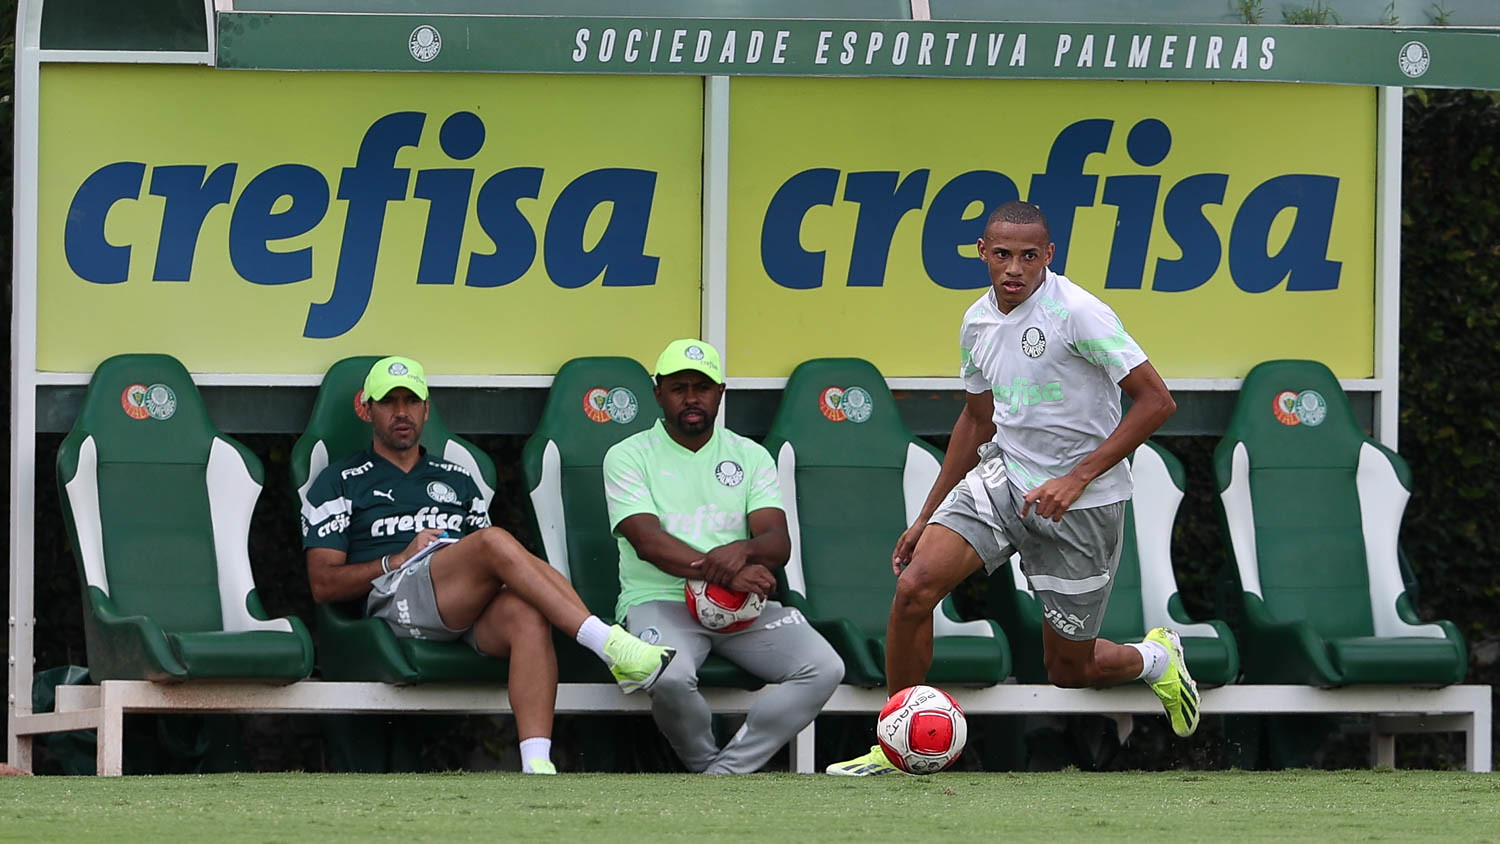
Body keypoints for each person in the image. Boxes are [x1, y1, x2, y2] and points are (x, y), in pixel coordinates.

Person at [827, 201, 1192, 776]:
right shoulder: (976, 321)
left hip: (1082, 505)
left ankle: (1155, 658)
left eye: (1028, 256)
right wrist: (927, 516)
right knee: (914, 589)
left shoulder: (1079, 313)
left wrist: (1076, 477)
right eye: (1002, 254)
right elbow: (977, 420)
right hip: (1004, 477)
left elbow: (1157, 401)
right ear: (982, 253)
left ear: (1049, 255)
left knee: (1069, 669)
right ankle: (895, 740)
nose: (1014, 268)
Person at [302, 356, 677, 775]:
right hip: (393, 602)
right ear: (367, 409)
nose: (402, 412)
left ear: (428, 409)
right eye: (389, 402)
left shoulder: (457, 478)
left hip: (457, 601)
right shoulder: (340, 480)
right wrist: (397, 558)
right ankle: (610, 645)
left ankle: (538, 767)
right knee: (493, 542)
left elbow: (489, 563)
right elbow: (323, 584)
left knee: (526, 613)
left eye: (412, 400)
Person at [602, 339, 845, 774]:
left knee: (824, 667)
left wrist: (746, 551)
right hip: (659, 599)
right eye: (679, 388)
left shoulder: (749, 455)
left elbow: (776, 541)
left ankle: (726, 773)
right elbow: (648, 542)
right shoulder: (627, 455)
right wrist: (730, 573)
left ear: (720, 393)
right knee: (669, 676)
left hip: (743, 608)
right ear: (658, 394)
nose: (691, 398)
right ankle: (705, 765)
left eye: (702, 387)